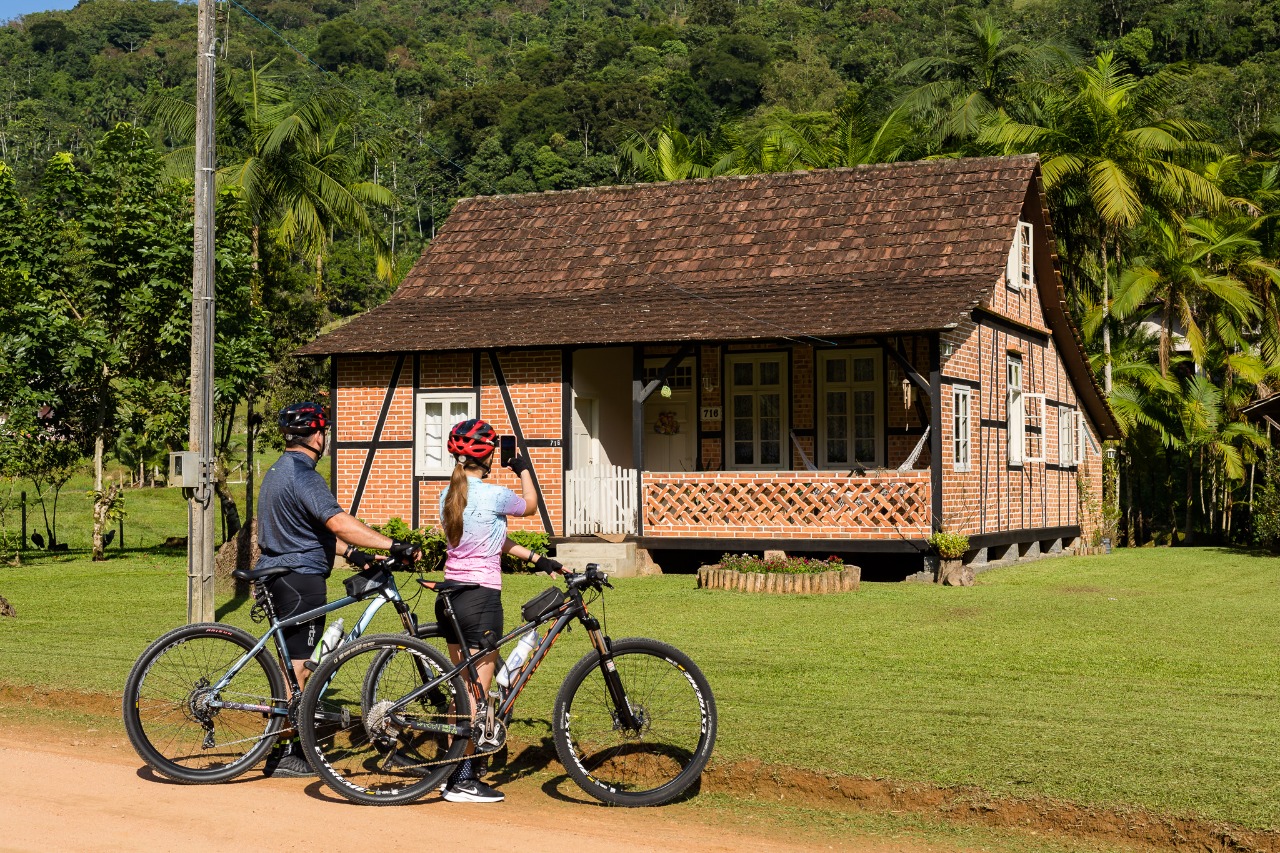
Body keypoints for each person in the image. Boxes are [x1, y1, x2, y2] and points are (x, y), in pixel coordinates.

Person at [256, 401, 420, 778]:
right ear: (317, 435)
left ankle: (284, 745)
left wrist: (356, 556)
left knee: (292, 665)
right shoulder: (304, 475)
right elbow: (337, 522)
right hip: (300, 580)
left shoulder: (279, 470)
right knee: (300, 669)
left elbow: (306, 532)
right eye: (324, 432)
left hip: (280, 572)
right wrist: (393, 545)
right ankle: (285, 752)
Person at [437, 418, 563, 803]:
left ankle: (450, 771)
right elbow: (529, 505)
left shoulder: (450, 494)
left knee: (463, 688)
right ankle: (462, 779)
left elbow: (494, 537)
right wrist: (522, 466)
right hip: (481, 599)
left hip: (451, 597)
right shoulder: (494, 494)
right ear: (489, 455)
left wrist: (537, 558)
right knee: (478, 690)